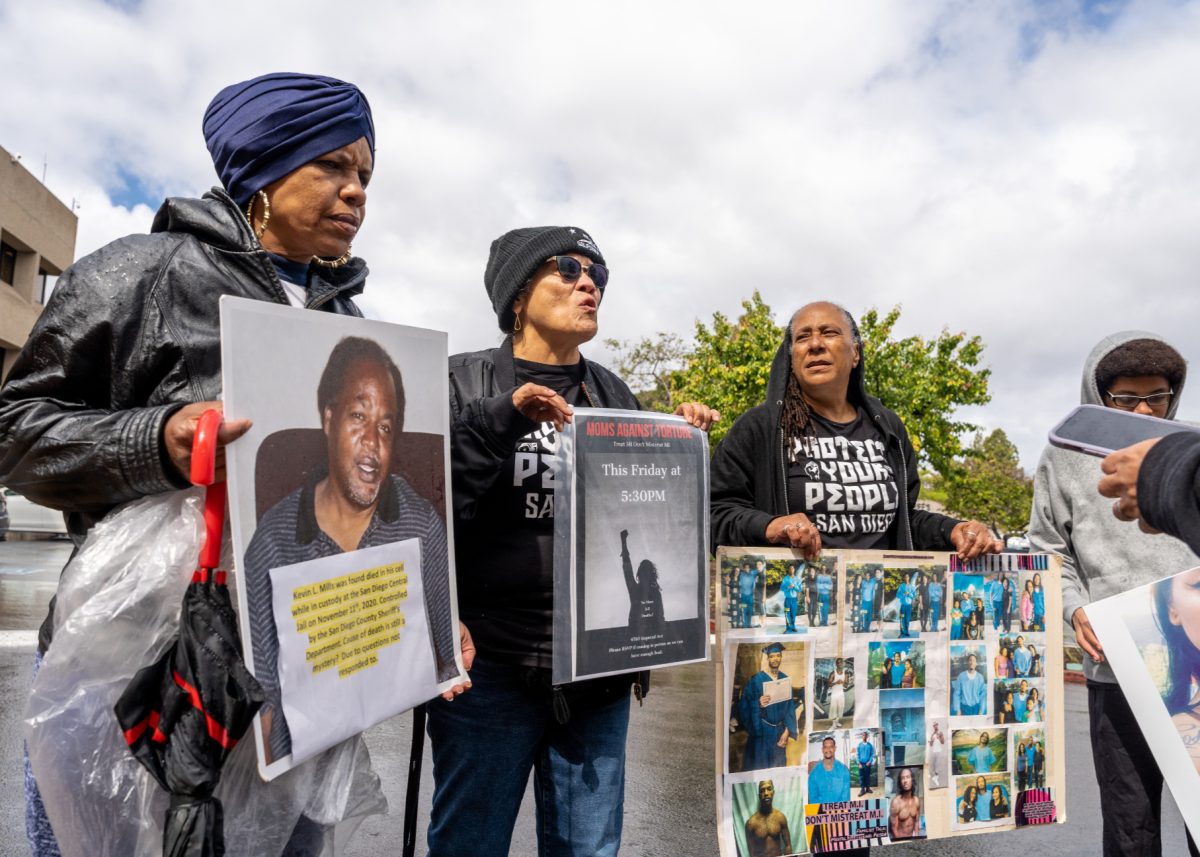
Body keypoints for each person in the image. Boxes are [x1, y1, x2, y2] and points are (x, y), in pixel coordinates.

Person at [0, 72, 435, 856]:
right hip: (141, 682)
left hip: (292, 685)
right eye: (333, 165)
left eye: (365, 174)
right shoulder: (142, 272)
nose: (357, 190)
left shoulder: (348, 321)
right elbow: (16, 431)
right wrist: (158, 439)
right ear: (265, 172)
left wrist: (425, 625)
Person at [429, 225, 717, 857]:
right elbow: (425, 506)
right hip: (489, 668)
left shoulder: (614, 395)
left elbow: (655, 525)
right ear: (515, 294)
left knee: (588, 848)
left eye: (598, 276)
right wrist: (504, 418)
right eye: (567, 269)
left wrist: (680, 444)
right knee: (468, 843)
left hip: (597, 677)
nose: (589, 283)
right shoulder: (457, 383)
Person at [243, 337, 458, 763]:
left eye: (385, 426)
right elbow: (261, 701)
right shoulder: (273, 540)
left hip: (364, 739)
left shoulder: (419, 523)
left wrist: (453, 644)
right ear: (328, 419)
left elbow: (445, 649)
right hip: (292, 756)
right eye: (358, 416)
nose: (373, 444)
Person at [1029, 332, 1198, 857]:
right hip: (1115, 664)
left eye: (1159, 395)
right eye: (1127, 398)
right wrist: (1073, 609)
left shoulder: (1191, 454)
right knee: (1131, 826)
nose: (1146, 408)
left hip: (1196, 667)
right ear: (1099, 395)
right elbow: (1047, 547)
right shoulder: (1063, 457)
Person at [709, 300, 1000, 566]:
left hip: (878, 609)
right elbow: (714, 516)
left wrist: (953, 530)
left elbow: (902, 523)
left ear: (856, 353)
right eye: (802, 337)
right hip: (794, 611)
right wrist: (772, 526)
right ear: (791, 357)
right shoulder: (759, 428)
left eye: (829, 332)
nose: (815, 344)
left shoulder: (888, 429)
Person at [619, 528, 664, 635]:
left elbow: (660, 615)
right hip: (636, 634)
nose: (645, 574)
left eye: (646, 570)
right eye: (644, 570)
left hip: (653, 635)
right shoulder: (635, 589)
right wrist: (623, 543)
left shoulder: (655, 593)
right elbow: (627, 569)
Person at [744, 780, 792, 857]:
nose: (766, 793)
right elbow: (752, 853)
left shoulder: (780, 818)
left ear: (773, 792)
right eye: (762, 790)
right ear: (759, 795)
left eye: (769, 789)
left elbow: (788, 846)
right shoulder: (751, 823)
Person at [808, 736, 851, 804]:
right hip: (819, 812)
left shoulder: (844, 771)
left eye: (831, 746)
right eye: (825, 747)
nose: (828, 749)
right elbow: (813, 799)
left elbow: (846, 798)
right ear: (822, 749)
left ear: (835, 748)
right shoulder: (814, 774)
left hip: (840, 811)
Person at [888, 767, 920, 839]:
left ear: (912, 780)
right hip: (899, 840)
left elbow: (917, 822)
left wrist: (917, 838)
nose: (905, 781)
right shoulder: (896, 802)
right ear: (900, 782)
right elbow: (894, 829)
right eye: (903, 778)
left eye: (908, 777)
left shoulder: (916, 800)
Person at [737, 560, 762, 629]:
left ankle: (748, 624)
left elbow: (760, 570)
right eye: (746, 567)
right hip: (743, 596)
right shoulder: (741, 574)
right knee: (744, 610)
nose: (747, 569)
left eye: (748, 567)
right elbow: (735, 573)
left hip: (750, 596)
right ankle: (745, 625)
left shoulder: (752, 573)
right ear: (744, 568)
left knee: (750, 611)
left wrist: (759, 565)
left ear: (750, 568)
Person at [782, 564, 802, 633]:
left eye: (792, 569)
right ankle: (787, 628)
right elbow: (781, 588)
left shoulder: (797, 579)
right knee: (787, 614)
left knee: (793, 614)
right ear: (789, 570)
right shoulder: (785, 579)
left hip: (794, 600)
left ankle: (793, 627)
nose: (791, 570)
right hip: (787, 600)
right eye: (790, 569)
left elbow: (800, 589)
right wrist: (788, 587)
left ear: (794, 570)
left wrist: (794, 586)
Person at [828, 658, 847, 726]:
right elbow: (829, 684)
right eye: (838, 663)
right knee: (834, 708)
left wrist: (843, 682)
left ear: (843, 663)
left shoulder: (845, 674)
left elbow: (846, 686)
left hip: (841, 694)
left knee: (840, 708)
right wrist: (836, 682)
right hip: (834, 694)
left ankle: (837, 722)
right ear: (836, 664)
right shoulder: (833, 673)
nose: (840, 664)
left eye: (841, 662)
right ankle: (834, 723)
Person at [928, 722, 946, 789]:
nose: (935, 726)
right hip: (933, 751)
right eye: (934, 725)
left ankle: (936, 779)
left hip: (939, 751)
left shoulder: (940, 733)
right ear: (933, 727)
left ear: (938, 725)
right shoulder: (932, 734)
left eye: (936, 725)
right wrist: (931, 742)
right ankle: (933, 776)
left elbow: (943, 742)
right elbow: (931, 745)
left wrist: (940, 737)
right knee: (932, 764)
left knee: (937, 766)